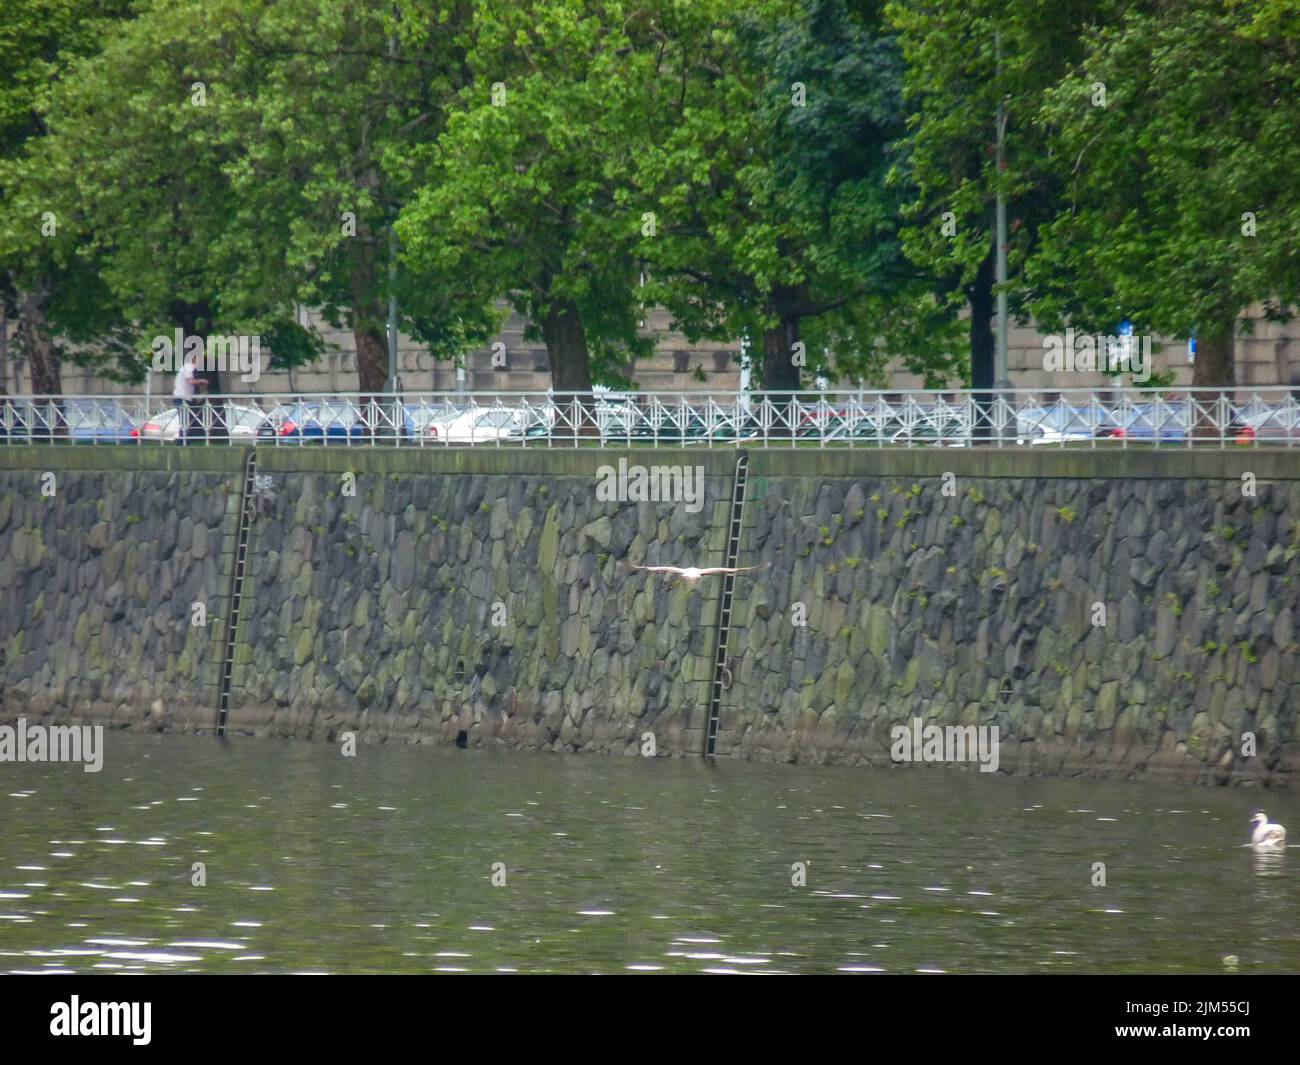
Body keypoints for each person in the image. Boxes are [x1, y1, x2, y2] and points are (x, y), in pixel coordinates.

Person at [172, 350, 208, 444]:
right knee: (185, 421)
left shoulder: (189, 368)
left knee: (186, 421)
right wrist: (203, 381)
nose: (201, 361)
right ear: (194, 359)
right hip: (181, 398)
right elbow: (191, 381)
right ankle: (182, 443)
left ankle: (184, 442)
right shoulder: (188, 367)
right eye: (199, 359)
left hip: (183, 398)